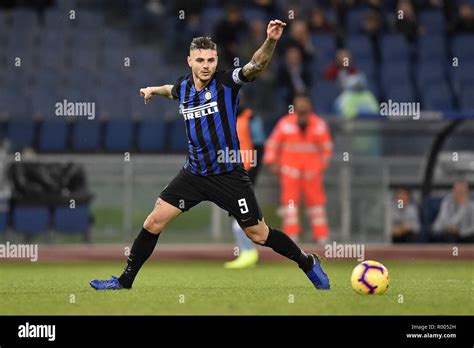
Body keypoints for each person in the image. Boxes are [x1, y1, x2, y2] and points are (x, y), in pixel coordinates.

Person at [90, 20, 330, 291]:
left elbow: (256, 66)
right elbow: (172, 90)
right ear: (189, 61)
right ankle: (124, 281)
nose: (207, 65)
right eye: (201, 60)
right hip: (193, 174)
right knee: (153, 222)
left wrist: (271, 41)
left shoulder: (227, 83)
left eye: (211, 60)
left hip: (228, 174)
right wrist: (153, 90)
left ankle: (307, 262)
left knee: (259, 234)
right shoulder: (184, 88)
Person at [263, 93, 332, 243]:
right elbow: (272, 144)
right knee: (290, 206)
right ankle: (291, 237)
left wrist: (320, 167)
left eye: (304, 103)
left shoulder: (319, 125)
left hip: (312, 173)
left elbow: (327, 148)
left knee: (316, 207)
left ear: (309, 106)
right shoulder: (285, 123)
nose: (301, 107)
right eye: (298, 104)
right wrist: (271, 161)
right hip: (290, 172)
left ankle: (322, 237)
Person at [224, 97, 266, 269]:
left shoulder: (251, 118)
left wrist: (252, 176)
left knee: (241, 215)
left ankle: (248, 252)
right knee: (238, 213)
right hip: (231, 172)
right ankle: (247, 252)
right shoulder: (227, 117)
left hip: (245, 173)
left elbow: (260, 147)